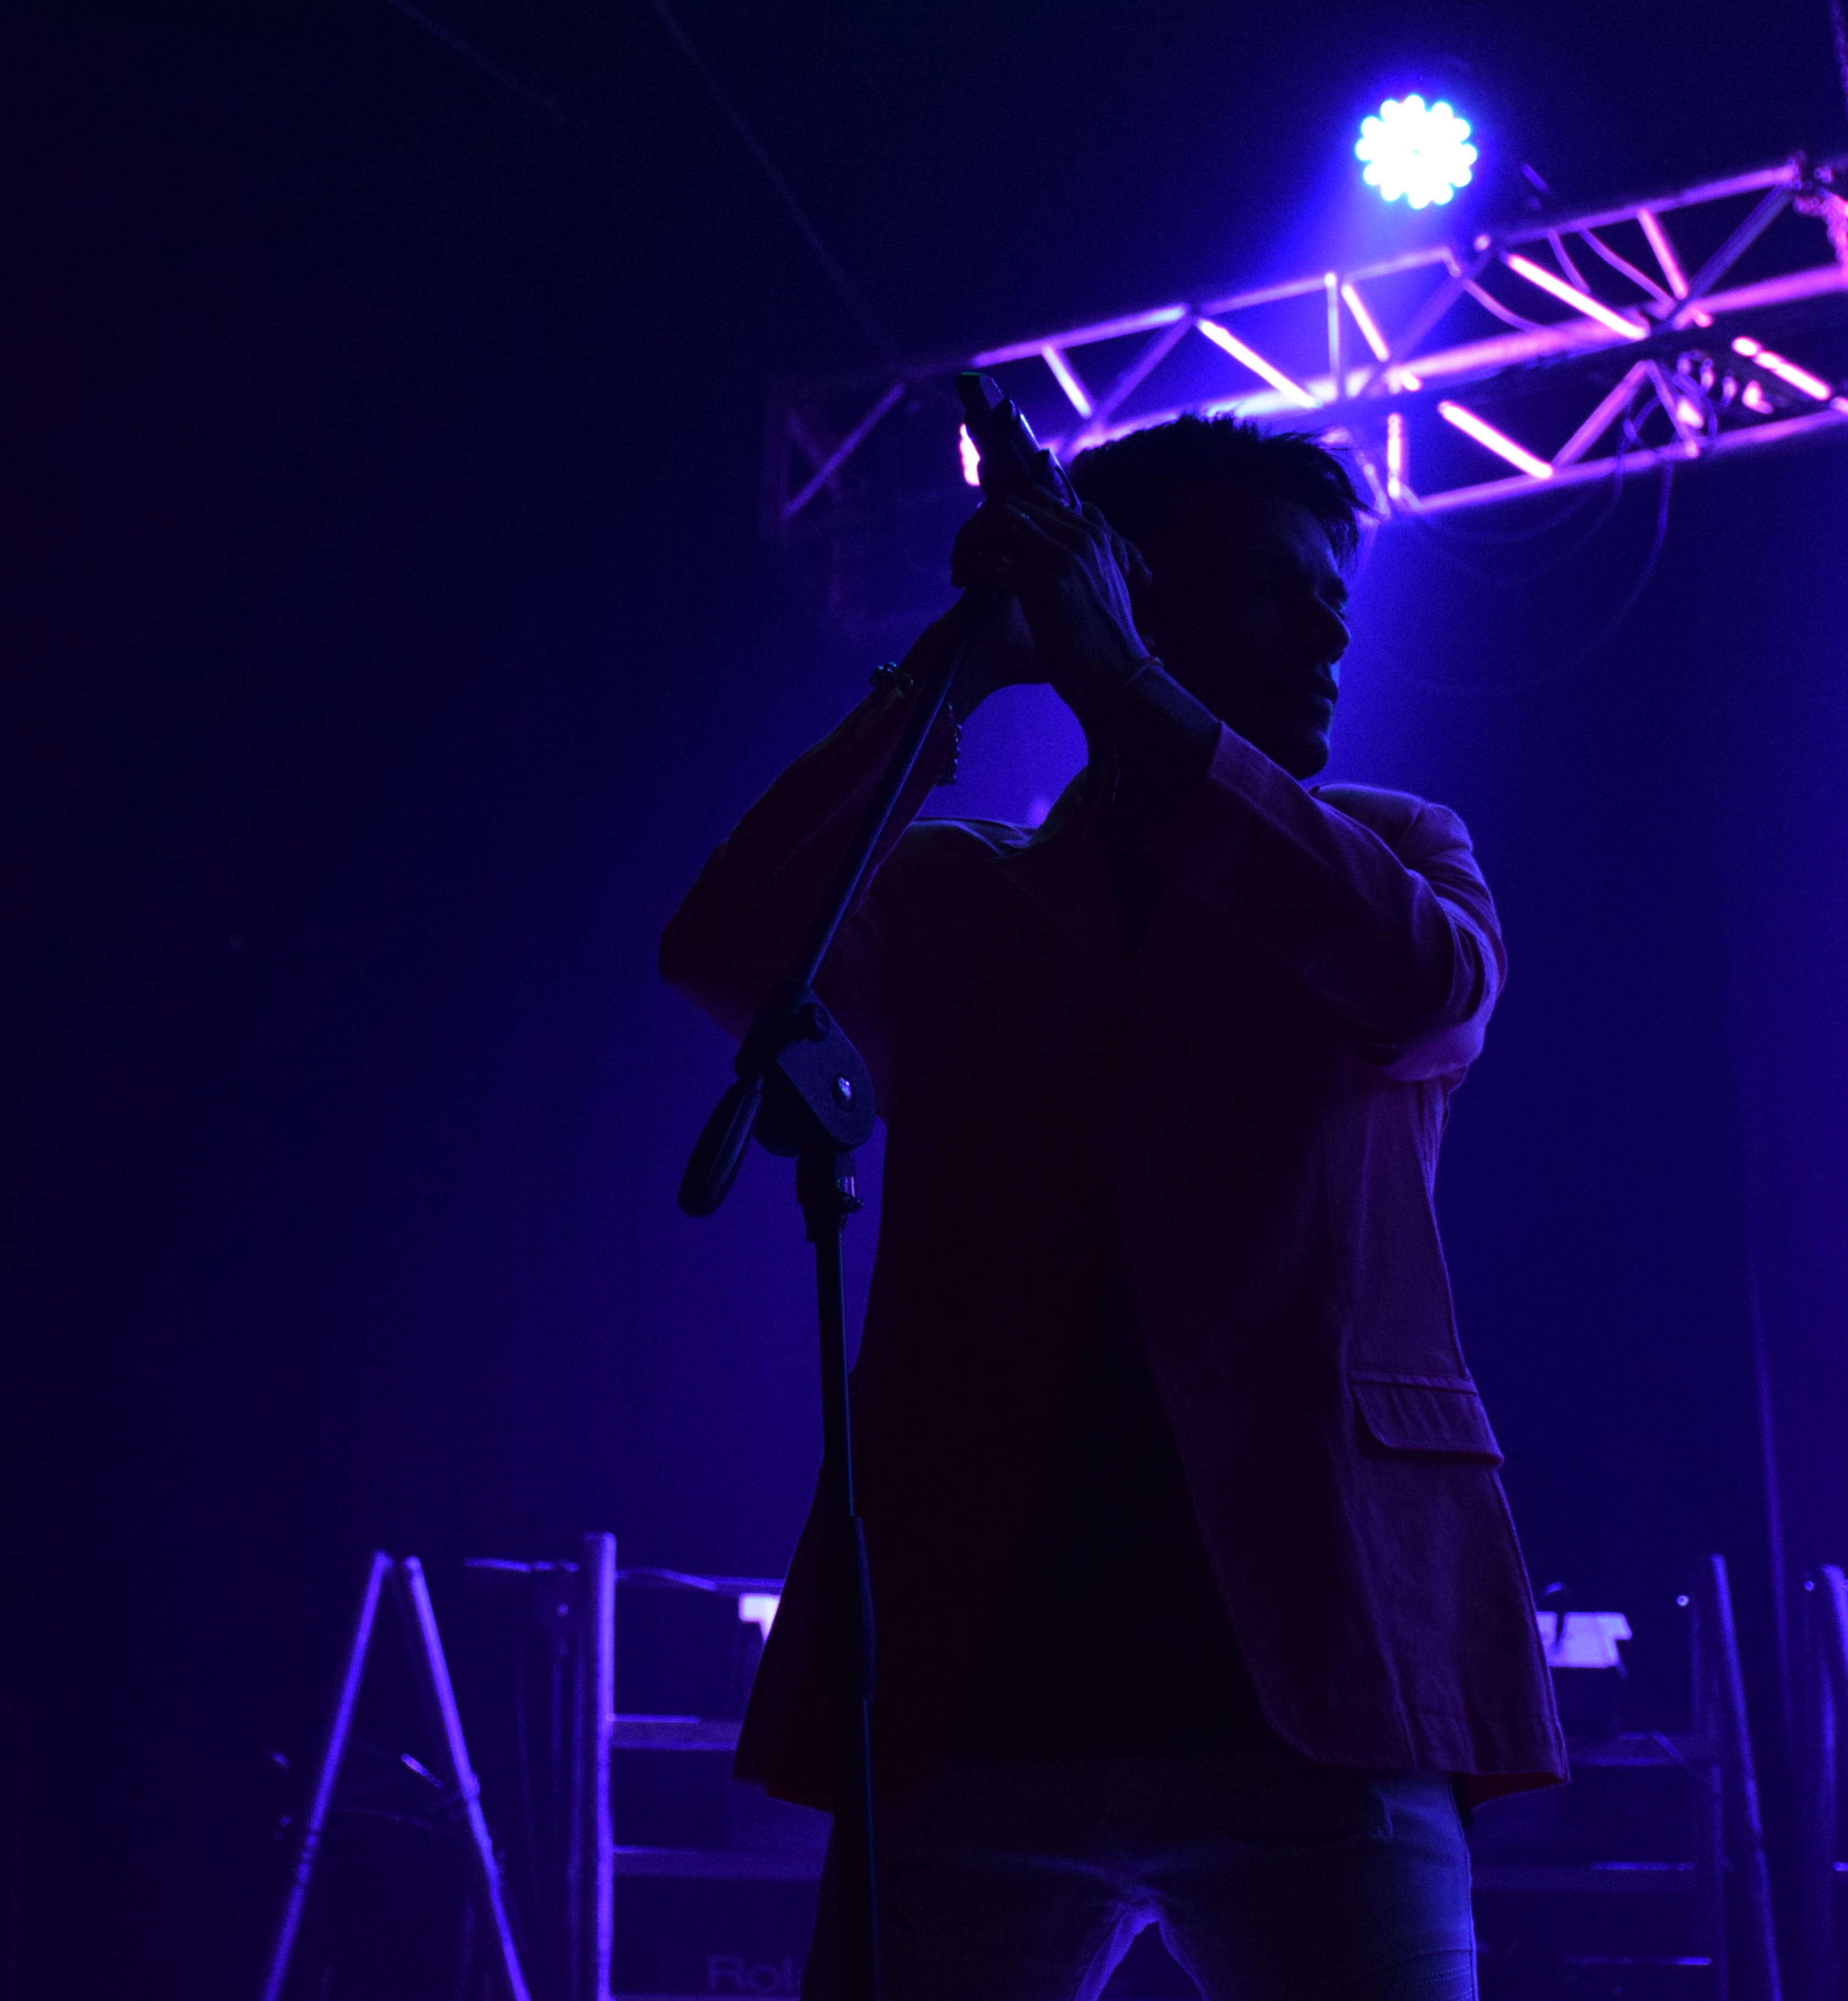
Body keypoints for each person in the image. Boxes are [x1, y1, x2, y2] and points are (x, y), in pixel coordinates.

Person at [660, 409, 1563, 1999]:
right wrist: (964, 661)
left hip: (1322, 1673)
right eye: (1281, 587)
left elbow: (1425, 986)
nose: (1333, 623)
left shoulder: (1398, 848)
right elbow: (729, 949)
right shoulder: (962, 886)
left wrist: (1129, 687)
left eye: (1334, 591)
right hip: (981, 1681)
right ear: (1139, 587)